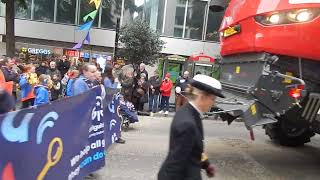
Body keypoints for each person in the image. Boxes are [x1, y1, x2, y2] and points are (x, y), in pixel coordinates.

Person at [158, 74, 225, 180]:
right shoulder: (187, 123)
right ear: (202, 97)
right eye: (213, 99)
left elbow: (194, 148)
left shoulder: (190, 112)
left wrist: (206, 165)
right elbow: (175, 164)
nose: (214, 104)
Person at [103, 66, 126, 144]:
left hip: (113, 102)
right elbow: (110, 91)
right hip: (110, 103)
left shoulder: (108, 79)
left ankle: (115, 136)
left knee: (115, 119)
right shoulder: (106, 79)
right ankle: (114, 136)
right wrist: (116, 83)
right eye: (112, 70)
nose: (114, 71)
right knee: (113, 119)